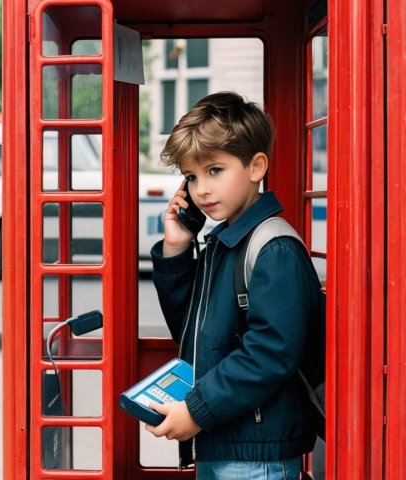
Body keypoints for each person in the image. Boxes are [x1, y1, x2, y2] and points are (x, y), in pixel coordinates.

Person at [146, 92, 324, 479]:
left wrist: (196, 410)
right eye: (191, 177)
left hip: (256, 453)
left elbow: (271, 353)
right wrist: (177, 247)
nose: (201, 190)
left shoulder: (272, 248)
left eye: (215, 170)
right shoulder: (224, 242)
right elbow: (195, 333)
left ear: (256, 166)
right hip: (225, 435)